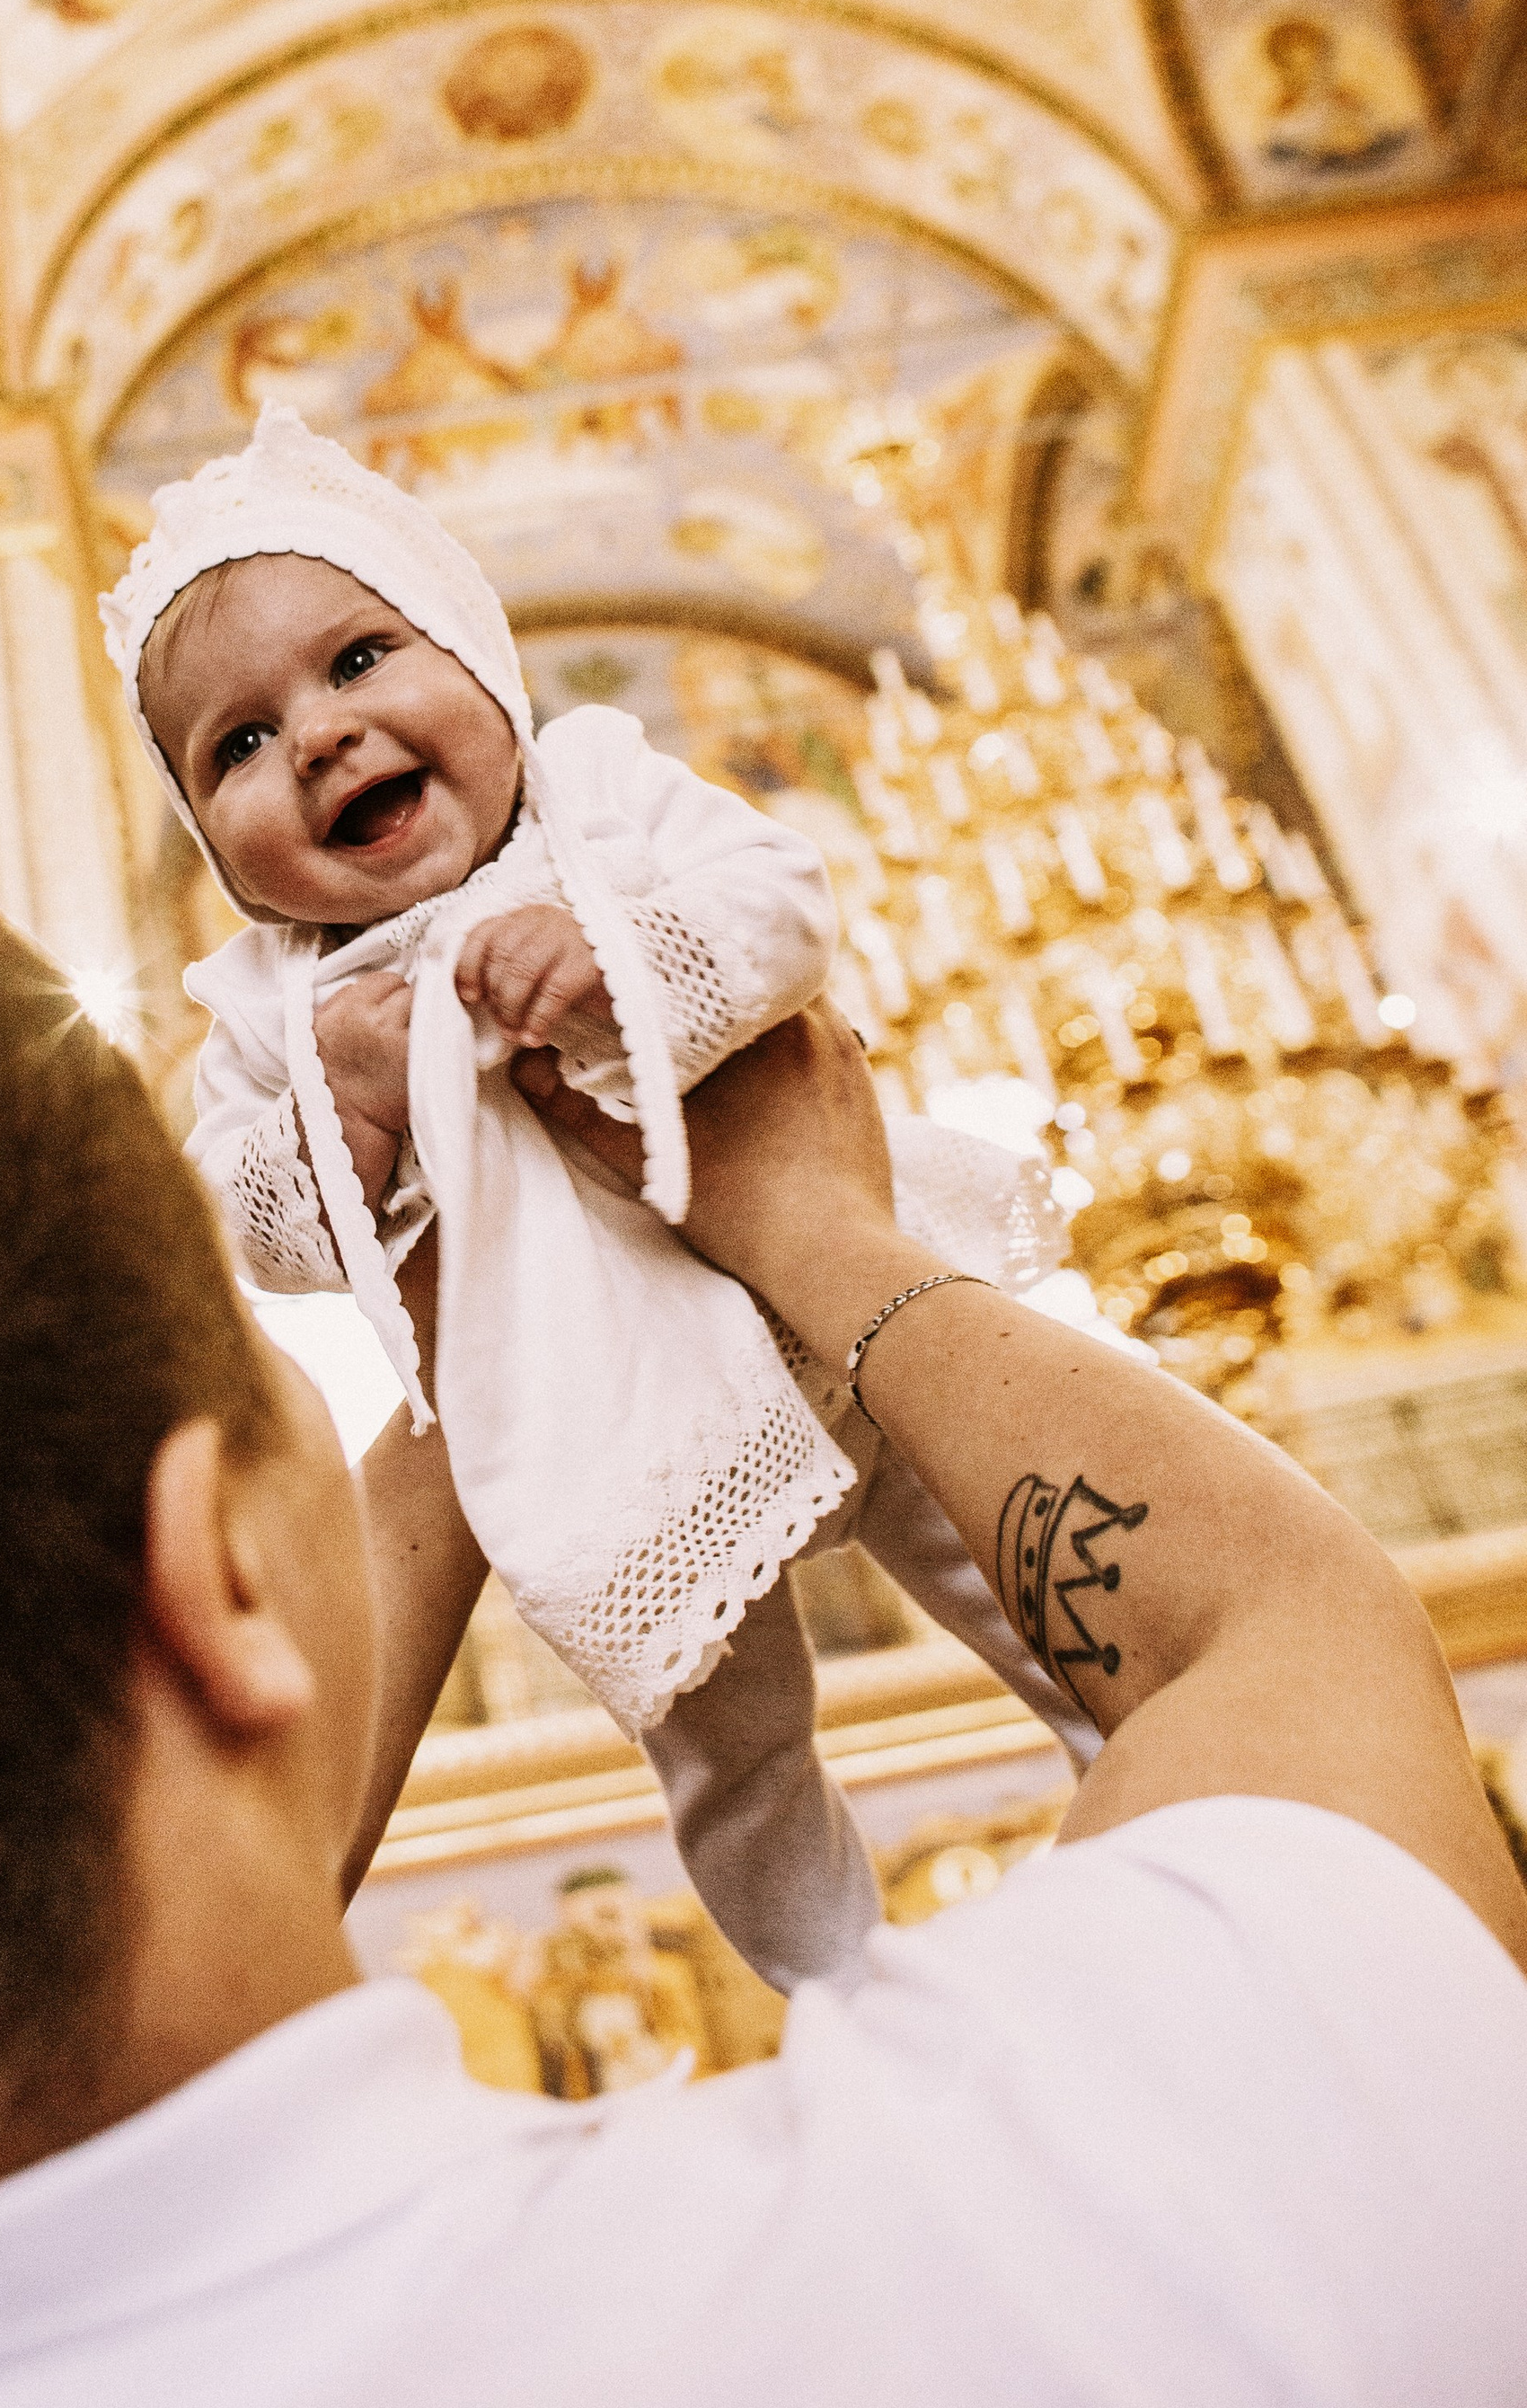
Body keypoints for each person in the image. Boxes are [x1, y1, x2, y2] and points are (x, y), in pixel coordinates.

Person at [0, 850, 1512, 2408]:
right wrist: (811, 1223)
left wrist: (468, 1360)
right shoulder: (1076, 2259)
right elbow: (1284, 1639)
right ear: (212, 1579)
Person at [106, 406, 1098, 1987]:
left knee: (1025, 1568)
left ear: (480, 655)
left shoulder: (601, 792)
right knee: (727, 1750)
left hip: (831, 1308)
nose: (317, 736)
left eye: (359, 659)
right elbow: (246, 1217)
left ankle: (1156, 1782)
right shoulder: (268, 1007)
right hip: (600, 1407)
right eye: (236, 744)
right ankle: (838, 1988)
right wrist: (345, 1108)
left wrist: (621, 965)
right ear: (212, 845)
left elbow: (782, 903)